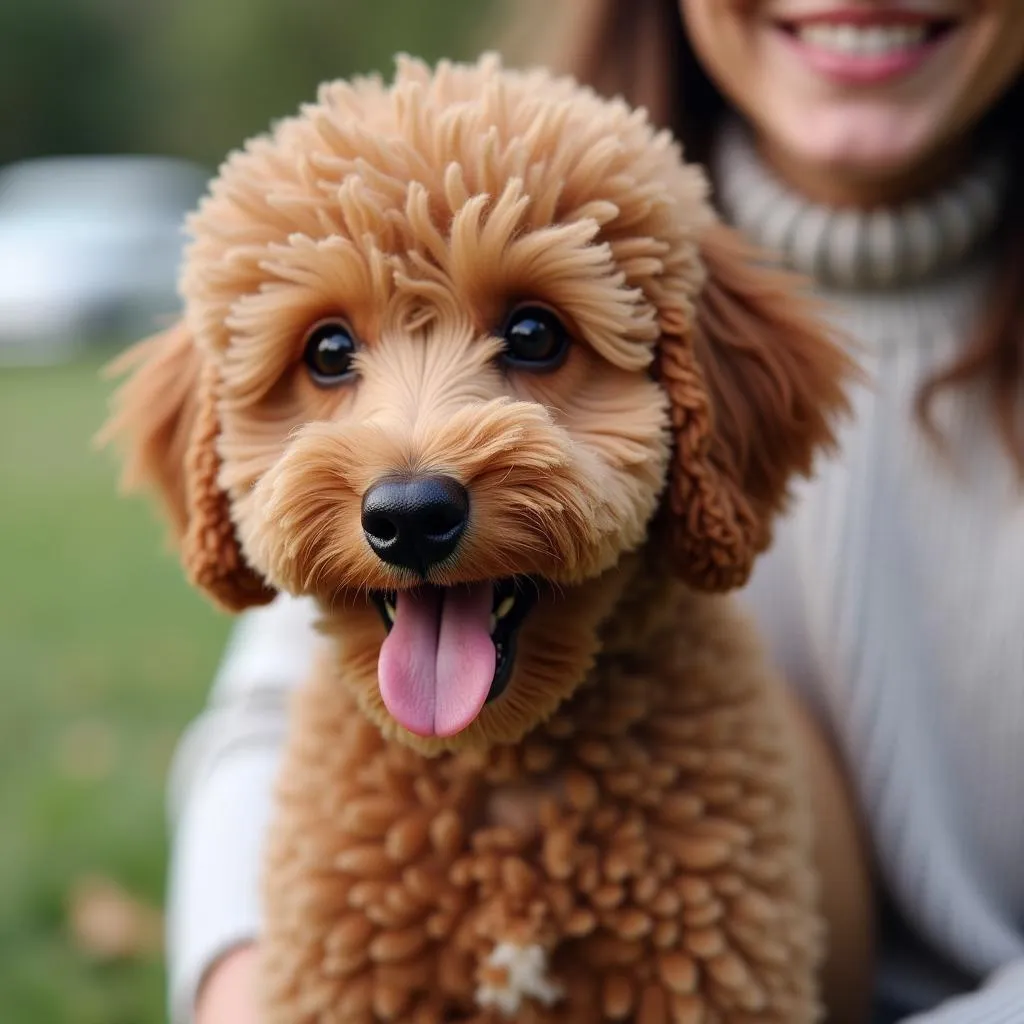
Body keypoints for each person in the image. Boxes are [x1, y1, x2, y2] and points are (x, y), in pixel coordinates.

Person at [168, 2, 1024, 1022]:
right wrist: (241, 984)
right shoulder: (539, 163)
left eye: (531, 338)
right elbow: (267, 711)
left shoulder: (647, 250)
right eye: (330, 359)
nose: (413, 466)